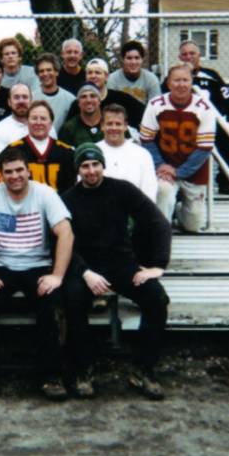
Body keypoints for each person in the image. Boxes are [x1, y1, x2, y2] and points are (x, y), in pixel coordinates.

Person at [61, 142, 171, 400]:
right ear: (78, 170)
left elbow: (158, 223)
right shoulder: (67, 199)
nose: (91, 171)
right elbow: (61, 243)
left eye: (95, 164)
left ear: (103, 165)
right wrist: (84, 271)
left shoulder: (122, 190)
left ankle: (143, 369)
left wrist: (157, 265)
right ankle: (83, 369)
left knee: (156, 299)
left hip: (122, 265)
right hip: (86, 269)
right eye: (85, 166)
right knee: (72, 300)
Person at [0, 146, 74, 402]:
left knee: (54, 304)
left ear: (29, 171)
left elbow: (66, 233)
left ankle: (51, 376)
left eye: (19, 170)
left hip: (38, 265)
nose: (14, 176)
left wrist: (57, 275)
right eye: (8, 172)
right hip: (0, 265)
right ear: (1, 174)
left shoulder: (45, 193)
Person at [141, 62, 216, 233]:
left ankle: (179, 210)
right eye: (176, 80)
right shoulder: (156, 104)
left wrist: (179, 172)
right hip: (165, 169)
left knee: (193, 225)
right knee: (163, 190)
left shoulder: (204, 107)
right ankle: (162, 232)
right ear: (168, 83)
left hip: (194, 170)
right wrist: (160, 165)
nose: (181, 84)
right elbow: (146, 139)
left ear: (191, 82)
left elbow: (204, 148)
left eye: (185, 80)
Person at [174, 39, 229, 194]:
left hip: (211, 123)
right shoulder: (173, 76)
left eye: (192, 53)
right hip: (184, 124)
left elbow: (228, 100)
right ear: (180, 57)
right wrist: (185, 74)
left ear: (199, 55)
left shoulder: (212, 75)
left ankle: (226, 182)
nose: (188, 57)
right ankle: (180, 181)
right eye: (185, 54)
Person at [0, 101, 76, 194]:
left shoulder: (67, 152)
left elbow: (73, 189)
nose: (38, 122)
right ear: (27, 121)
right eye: (34, 118)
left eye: (43, 118)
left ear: (51, 123)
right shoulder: (11, 151)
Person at [96, 104, 157, 201]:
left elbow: (149, 191)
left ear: (125, 126)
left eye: (118, 124)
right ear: (102, 126)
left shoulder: (142, 155)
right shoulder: (94, 151)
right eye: (109, 124)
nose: (114, 128)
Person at [65, 58, 144, 131]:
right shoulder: (79, 103)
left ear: (106, 76)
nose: (93, 76)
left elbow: (143, 116)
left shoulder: (122, 99)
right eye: (90, 73)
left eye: (97, 72)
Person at [0, 84, 57, 149]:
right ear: (9, 102)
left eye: (25, 97)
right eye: (16, 97)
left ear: (31, 101)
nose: (21, 101)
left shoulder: (46, 127)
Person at [32, 52, 76, 130]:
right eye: (41, 71)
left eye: (49, 70)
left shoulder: (70, 99)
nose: (45, 74)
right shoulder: (31, 97)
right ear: (38, 75)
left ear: (56, 72)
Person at [107, 40, 161, 105]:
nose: (133, 62)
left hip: (145, 111)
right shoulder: (112, 79)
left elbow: (156, 107)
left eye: (137, 58)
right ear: (122, 60)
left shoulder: (151, 79)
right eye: (129, 58)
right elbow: (110, 106)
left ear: (142, 59)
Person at [58, 83, 104, 148]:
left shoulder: (111, 124)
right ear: (78, 103)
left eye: (92, 96)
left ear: (99, 101)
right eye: (84, 97)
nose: (88, 100)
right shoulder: (68, 129)